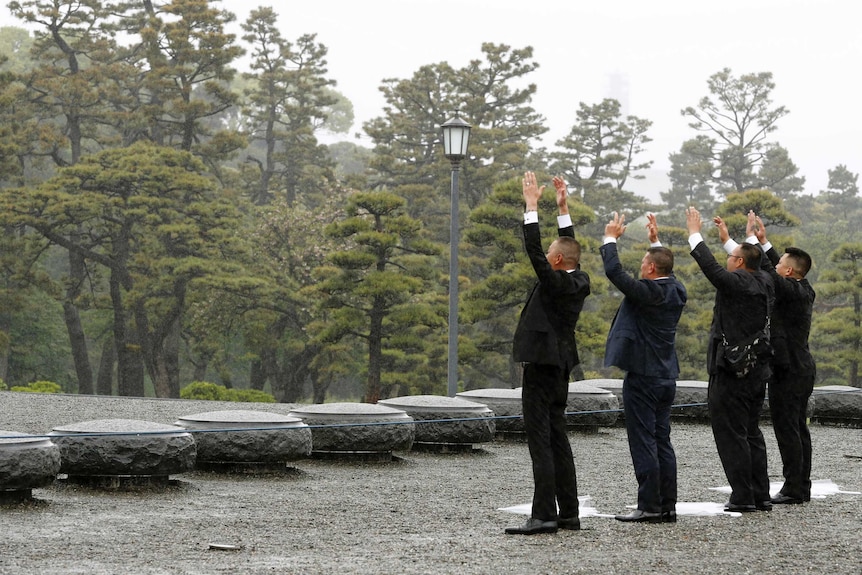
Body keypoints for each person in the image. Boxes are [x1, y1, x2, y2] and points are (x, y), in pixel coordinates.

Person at [505, 171, 591, 535]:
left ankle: (543, 515)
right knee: (558, 438)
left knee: (540, 439)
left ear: (556, 262)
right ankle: (568, 513)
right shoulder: (578, 278)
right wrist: (563, 209)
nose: (548, 254)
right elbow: (566, 246)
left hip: (541, 366)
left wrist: (531, 207)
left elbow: (534, 251)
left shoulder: (554, 280)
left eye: (551, 255)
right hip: (560, 366)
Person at [716, 212, 816, 504]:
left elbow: (763, 271)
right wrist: (758, 240)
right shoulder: (796, 286)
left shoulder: (794, 291)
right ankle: (799, 485)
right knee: (797, 428)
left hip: (791, 370)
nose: (776, 265)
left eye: (781, 263)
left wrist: (752, 242)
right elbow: (762, 268)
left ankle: (794, 488)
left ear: (788, 272)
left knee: (789, 429)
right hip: (798, 368)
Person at [686, 206, 774, 513]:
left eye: (732, 255)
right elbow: (751, 261)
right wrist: (730, 240)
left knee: (731, 433)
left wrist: (694, 234)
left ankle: (742, 496)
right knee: (751, 431)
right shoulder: (765, 280)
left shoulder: (736, 282)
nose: (728, 258)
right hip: (756, 369)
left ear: (738, 263)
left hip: (731, 370)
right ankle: (760, 494)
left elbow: (714, 270)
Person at [601, 212, 687, 523]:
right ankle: (667, 505)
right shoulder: (676, 290)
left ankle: (649, 505)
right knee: (662, 440)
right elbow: (668, 269)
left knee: (643, 441)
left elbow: (614, 271)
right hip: (667, 376)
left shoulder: (648, 291)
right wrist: (656, 242)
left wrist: (610, 237)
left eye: (643, 264)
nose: (639, 268)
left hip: (644, 378)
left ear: (650, 268)